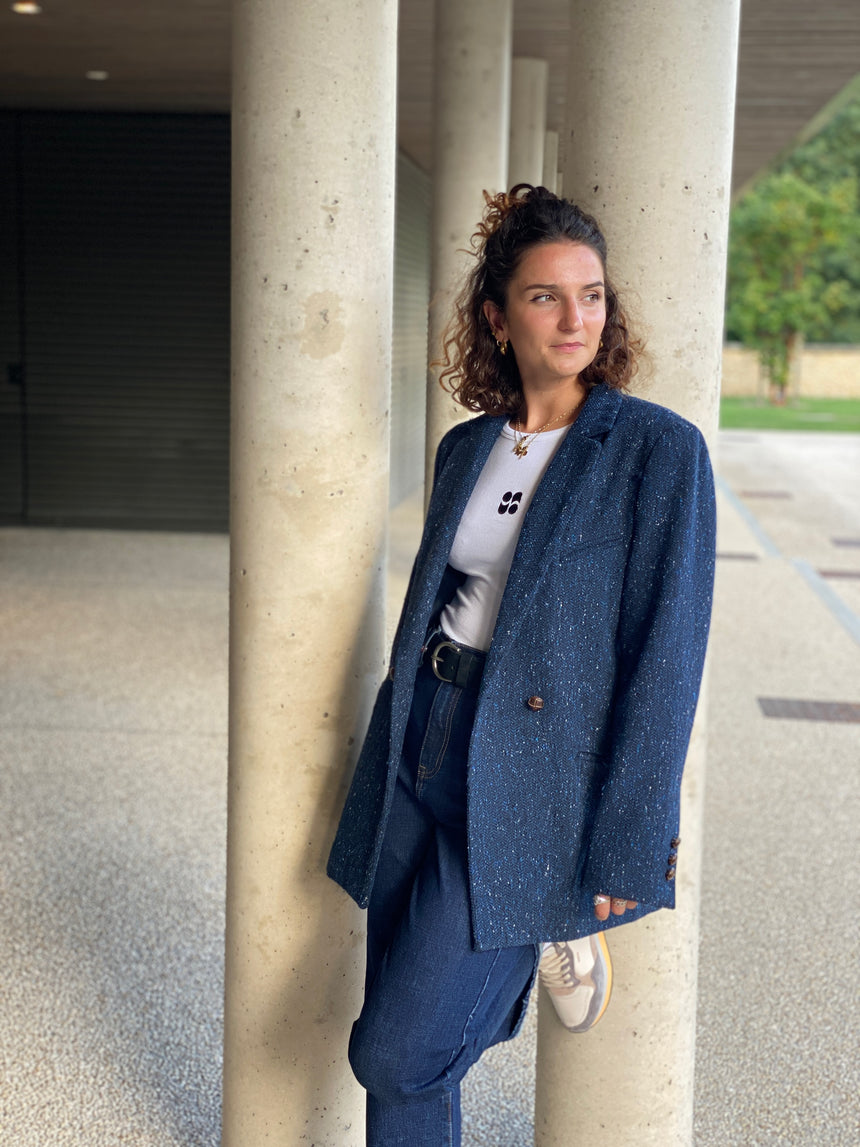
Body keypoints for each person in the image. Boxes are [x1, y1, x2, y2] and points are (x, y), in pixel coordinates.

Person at [327, 183, 716, 1146]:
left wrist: (628, 836)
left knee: (393, 1050)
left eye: (591, 295)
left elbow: (666, 653)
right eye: (546, 296)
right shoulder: (468, 448)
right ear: (498, 318)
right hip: (426, 744)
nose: (575, 316)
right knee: (405, 1056)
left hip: (533, 779)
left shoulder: (656, 453)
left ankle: (555, 911)